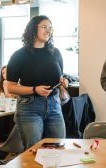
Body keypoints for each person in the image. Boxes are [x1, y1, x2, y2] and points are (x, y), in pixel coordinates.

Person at [7, 15, 67, 149]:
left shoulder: (56, 53)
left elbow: (59, 77)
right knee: (33, 151)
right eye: (44, 27)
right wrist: (34, 89)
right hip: (29, 107)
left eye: (50, 28)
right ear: (33, 29)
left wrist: (63, 81)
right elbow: (10, 87)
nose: (48, 31)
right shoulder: (19, 55)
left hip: (54, 106)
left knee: (58, 148)